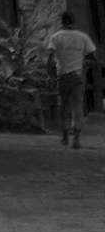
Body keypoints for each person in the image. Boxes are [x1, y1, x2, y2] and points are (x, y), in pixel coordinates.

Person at [47, 11, 98, 147]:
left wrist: (50, 75)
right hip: (77, 75)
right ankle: (76, 139)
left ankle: (64, 137)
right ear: (74, 22)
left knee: (64, 105)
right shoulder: (83, 37)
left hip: (62, 75)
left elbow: (50, 59)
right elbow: (93, 58)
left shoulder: (56, 37)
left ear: (62, 22)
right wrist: (83, 64)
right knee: (77, 106)